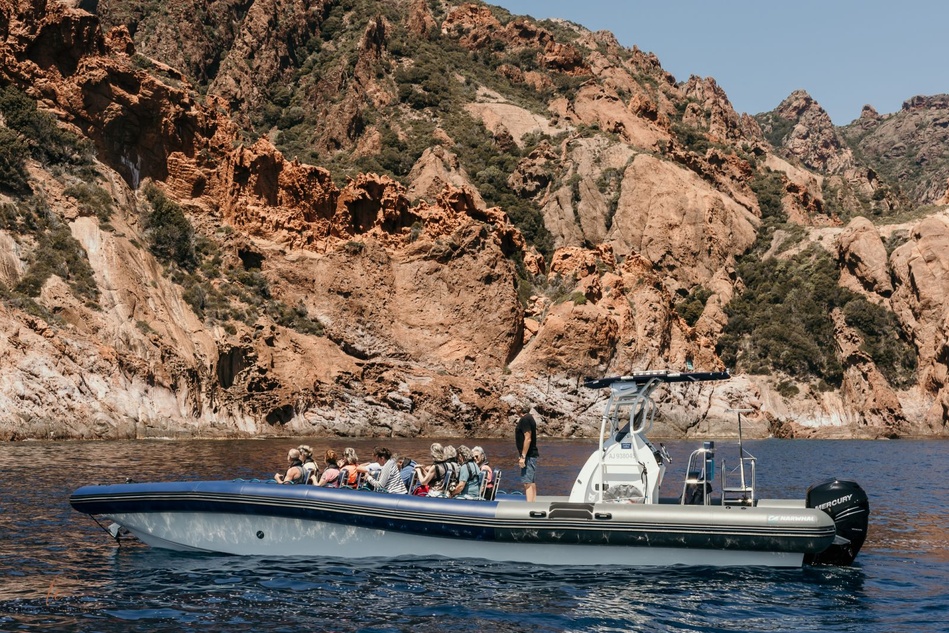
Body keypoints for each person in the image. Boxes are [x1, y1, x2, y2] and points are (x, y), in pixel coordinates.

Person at [515, 403, 539, 501]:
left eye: (516, 407)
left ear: (520, 409)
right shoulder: (530, 418)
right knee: (531, 481)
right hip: (530, 454)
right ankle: (533, 503)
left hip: (528, 455)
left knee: (527, 482)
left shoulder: (525, 419)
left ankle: (530, 506)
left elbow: (528, 438)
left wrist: (523, 456)